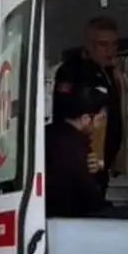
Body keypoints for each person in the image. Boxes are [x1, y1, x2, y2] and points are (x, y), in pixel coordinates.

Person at [52, 16, 126, 194]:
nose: (110, 50)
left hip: (102, 162)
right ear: (89, 45)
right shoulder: (72, 71)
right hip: (78, 161)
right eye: (103, 44)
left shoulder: (111, 74)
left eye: (114, 44)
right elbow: (62, 114)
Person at [46, 85, 110, 218]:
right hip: (69, 217)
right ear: (86, 119)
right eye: (101, 118)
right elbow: (90, 196)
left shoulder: (48, 133)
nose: (102, 124)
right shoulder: (77, 148)